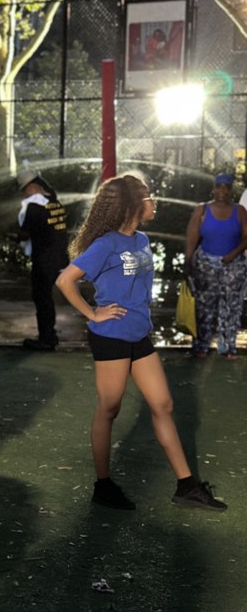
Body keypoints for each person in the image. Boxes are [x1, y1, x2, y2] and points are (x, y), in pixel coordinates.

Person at [55, 174, 227, 512]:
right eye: (148, 196)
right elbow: (65, 280)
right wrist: (93, 313)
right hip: (111, 336)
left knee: (163, 404)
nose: (154, 202)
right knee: (109, 409)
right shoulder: (105, 243)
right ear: (132, 204)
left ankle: (187, 486)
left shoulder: (143, 239)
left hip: (138, 334)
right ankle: (103, 486)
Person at [183, 173, 247, 359]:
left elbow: (246, 237)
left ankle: (227, 347)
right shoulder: (201, 210)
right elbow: (192, 237)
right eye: (219, 187)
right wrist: (188, 263)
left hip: (233, 265)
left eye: (226, 188)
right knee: (204, 307)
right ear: (214, 188)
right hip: (206, 264)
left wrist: (232, 255)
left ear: (231, 190)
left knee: (231, 307)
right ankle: (201, 346)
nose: (222, 191)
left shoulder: (240, 211)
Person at [16, 169, 69, 351]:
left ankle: (46, 338)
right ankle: (49, 336)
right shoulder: (55, 203)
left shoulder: (33, 207)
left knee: (42, 298)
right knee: (46, 297)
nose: (24, 194)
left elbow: (23, 234)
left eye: (24, 190)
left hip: (43, 258)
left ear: (31, 187)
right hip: (59, 257)